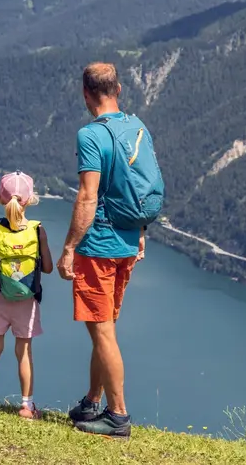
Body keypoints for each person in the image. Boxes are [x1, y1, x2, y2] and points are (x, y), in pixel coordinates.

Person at [58, 62, 163, 439]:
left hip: (99, 245)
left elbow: (88, 196)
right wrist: (141, 230)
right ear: (118, 89)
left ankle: (118, 416)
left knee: (102, 331)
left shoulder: (91, 135)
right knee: (105, 328)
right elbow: (140, 183)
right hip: (128, 241)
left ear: (86, 94)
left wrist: (69, 247)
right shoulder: (137, 126)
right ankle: (92, 400)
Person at [0, 171, 53, 420]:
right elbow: (48, 268)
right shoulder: (37, 230)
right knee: (24, 352)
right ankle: (26, 406)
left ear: (1, 198)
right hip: (27, 301)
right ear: (29, 200)